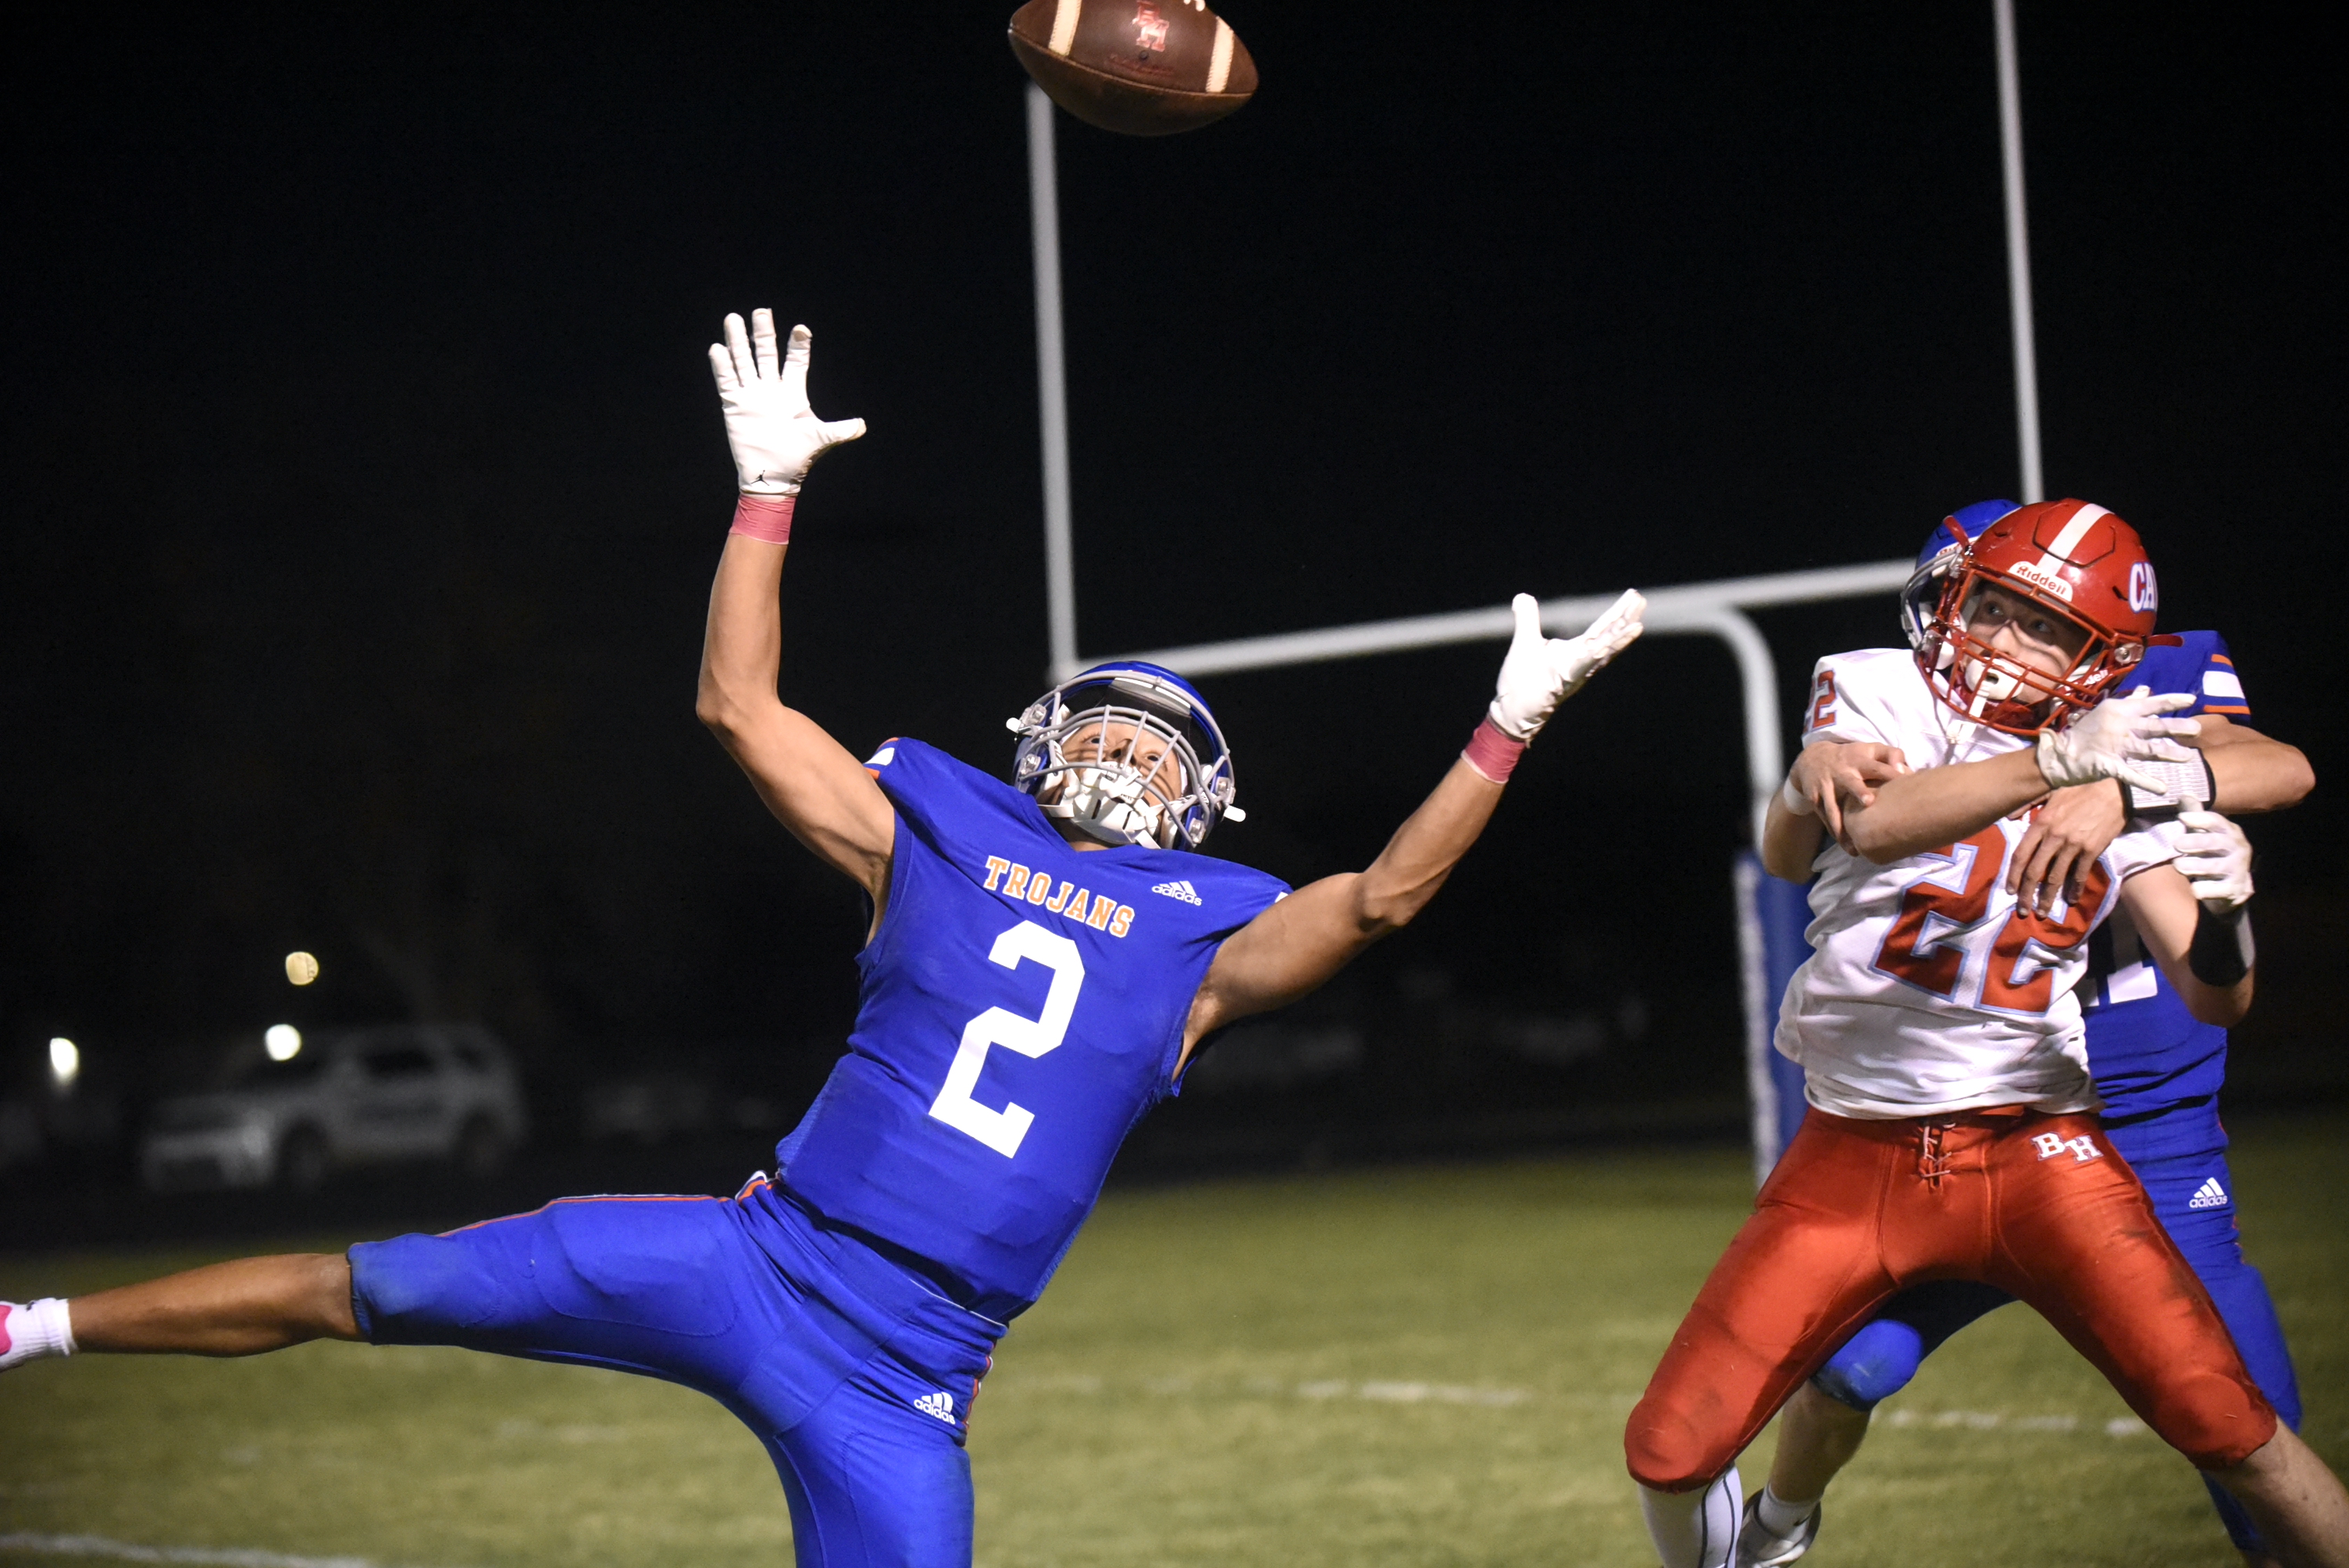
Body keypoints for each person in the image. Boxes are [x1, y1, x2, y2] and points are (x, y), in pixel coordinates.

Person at [0, 308, 1648, 1568]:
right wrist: (768, 491)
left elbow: (1383, 897)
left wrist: (1498, 731)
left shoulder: (1201, 942)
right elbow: (736, 703)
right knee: (371, 1284)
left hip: (910, 1370)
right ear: (1043, 739)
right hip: (750, 1256)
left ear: (1203, 799)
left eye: (1162, 746)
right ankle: (31, 1327)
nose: (1127, 753)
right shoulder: (932, 828)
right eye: (1109, 727)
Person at [1620, 497, 2349, 1568]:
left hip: (2094, 1125)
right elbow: (1828, 832)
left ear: (2111, 655)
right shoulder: (1888, 693)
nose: (1995, 641)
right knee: (1820, 1382)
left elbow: (2273, 778)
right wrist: (2056, 768)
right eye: (1984, 606)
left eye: (2042, 622)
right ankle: (1776, 1530)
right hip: (1896, 1137)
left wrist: (2144, 797)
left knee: (2239, 1435)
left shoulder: (2133, 723)